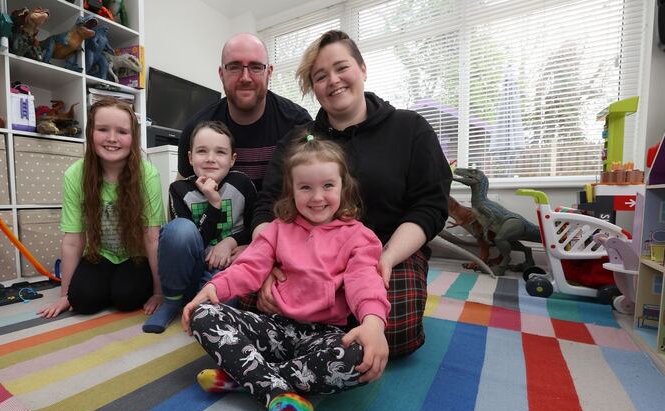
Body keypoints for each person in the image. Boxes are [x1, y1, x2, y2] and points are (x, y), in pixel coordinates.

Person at [250, 30, 452, 357]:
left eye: (341, 68)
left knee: (397, 330)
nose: (333, 80)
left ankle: (297, 333)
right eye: (320, 76)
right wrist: (267, 262)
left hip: (386, 251)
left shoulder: (411, 129)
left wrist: (385, 258)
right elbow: (265, 208)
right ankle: (314, 333)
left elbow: (429, 207)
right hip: (305, 255)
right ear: (313, 88)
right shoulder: (295, 143)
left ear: (362, 69)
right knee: (247, 290)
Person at [182, 133, 389, 411]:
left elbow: (365, 279)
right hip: (275, 327)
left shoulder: (359, 236)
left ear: (343, 187)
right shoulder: (278, 229)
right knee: (204, 313)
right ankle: (281, 397)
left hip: (324, 334)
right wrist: (212, 287)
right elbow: (248, 267)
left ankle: (247, 376)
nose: (317, 197)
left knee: (358, 357)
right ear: (292, 191)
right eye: (305, 187)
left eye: (327, 186)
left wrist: (373, 322)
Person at [38, 98, 166, 319]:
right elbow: (73, 239)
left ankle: (117, 286)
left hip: (135, 256)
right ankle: (103, 286)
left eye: (122, 132)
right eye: (103, 129)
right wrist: (64, 294)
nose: (112, 139)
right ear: (90, 133)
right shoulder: (75, 175)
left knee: (126, 298)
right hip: (100, 254)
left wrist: (158, 293)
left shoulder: (148, 175)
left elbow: (152, 238)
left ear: (133, 137)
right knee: (80, 300)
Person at [143, 121, 256, 333]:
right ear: (190, 157)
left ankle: (199, 305)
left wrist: (230, 241)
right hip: (191, 266)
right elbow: (194, 238)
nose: (211, 158)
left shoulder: (242, 184)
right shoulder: (179, 189)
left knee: (214, 318)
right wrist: (213, 204)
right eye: (202, 151)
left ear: (232, 159)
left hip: (223, 271)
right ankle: (172, 301)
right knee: (179, 230)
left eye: (220, 152)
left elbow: (254, 227)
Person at [177, 33, 312, 193]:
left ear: (269, 72)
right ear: (221, 74)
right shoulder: (197, 130)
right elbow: (179, 196)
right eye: (234, 67)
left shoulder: (297, 123)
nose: (245, 78)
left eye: (256, 67)